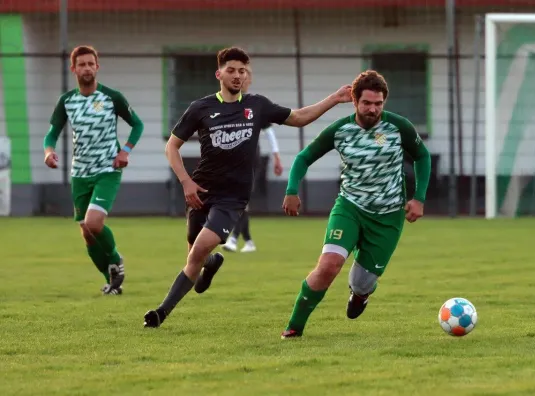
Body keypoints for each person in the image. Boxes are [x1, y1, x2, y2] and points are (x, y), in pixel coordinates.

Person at [143, 46, 351, 328]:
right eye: (231, 70)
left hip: (233, 197)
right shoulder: (201, 108)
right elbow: (172, 146)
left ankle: (160, 313)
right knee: (195, 255)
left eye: (242, 71)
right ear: (219, 74)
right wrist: (186, 182)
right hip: (201, 191)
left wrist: (335, 99)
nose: (237, 75)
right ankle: (210, 265)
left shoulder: (257, 106)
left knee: (199, 248)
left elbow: (299, 117)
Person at [280, 70, 432, 339]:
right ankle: (294, 327)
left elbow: (421, 155)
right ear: (354, 101)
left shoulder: (398, 127)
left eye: (378, 104)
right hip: (349, 207)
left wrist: (418, 198)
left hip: (388, 216)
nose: (373, 109)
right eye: (367, 103)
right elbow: (304, 157)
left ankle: (360, 295)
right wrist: (292, 190)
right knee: (328, 265)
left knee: (362, 283)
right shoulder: (341, 130)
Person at [43, 45, 144, 295]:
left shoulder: (111, 97)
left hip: (107, 169)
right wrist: (48, 151)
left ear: (97, 67)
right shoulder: (67, 101)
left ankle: (116, 260)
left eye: (91, 64)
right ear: (73, 69)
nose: (87, 68)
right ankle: (111, 282)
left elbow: (137, 125)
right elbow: (52, 133)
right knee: (87, 234)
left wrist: (125, 151)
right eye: (82, 64)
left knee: (94, 223)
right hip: (80, 173)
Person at [222, 65, 283, 253]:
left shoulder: (254, 105)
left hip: (249, 160)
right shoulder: (225, 105)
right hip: (230, 160)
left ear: (248, 81)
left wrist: (276, 156)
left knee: (241, 201)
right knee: (237, 201)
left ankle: (233, 239)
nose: (240, 80)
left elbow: (269, 132)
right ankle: (248, 241)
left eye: (244, 77)